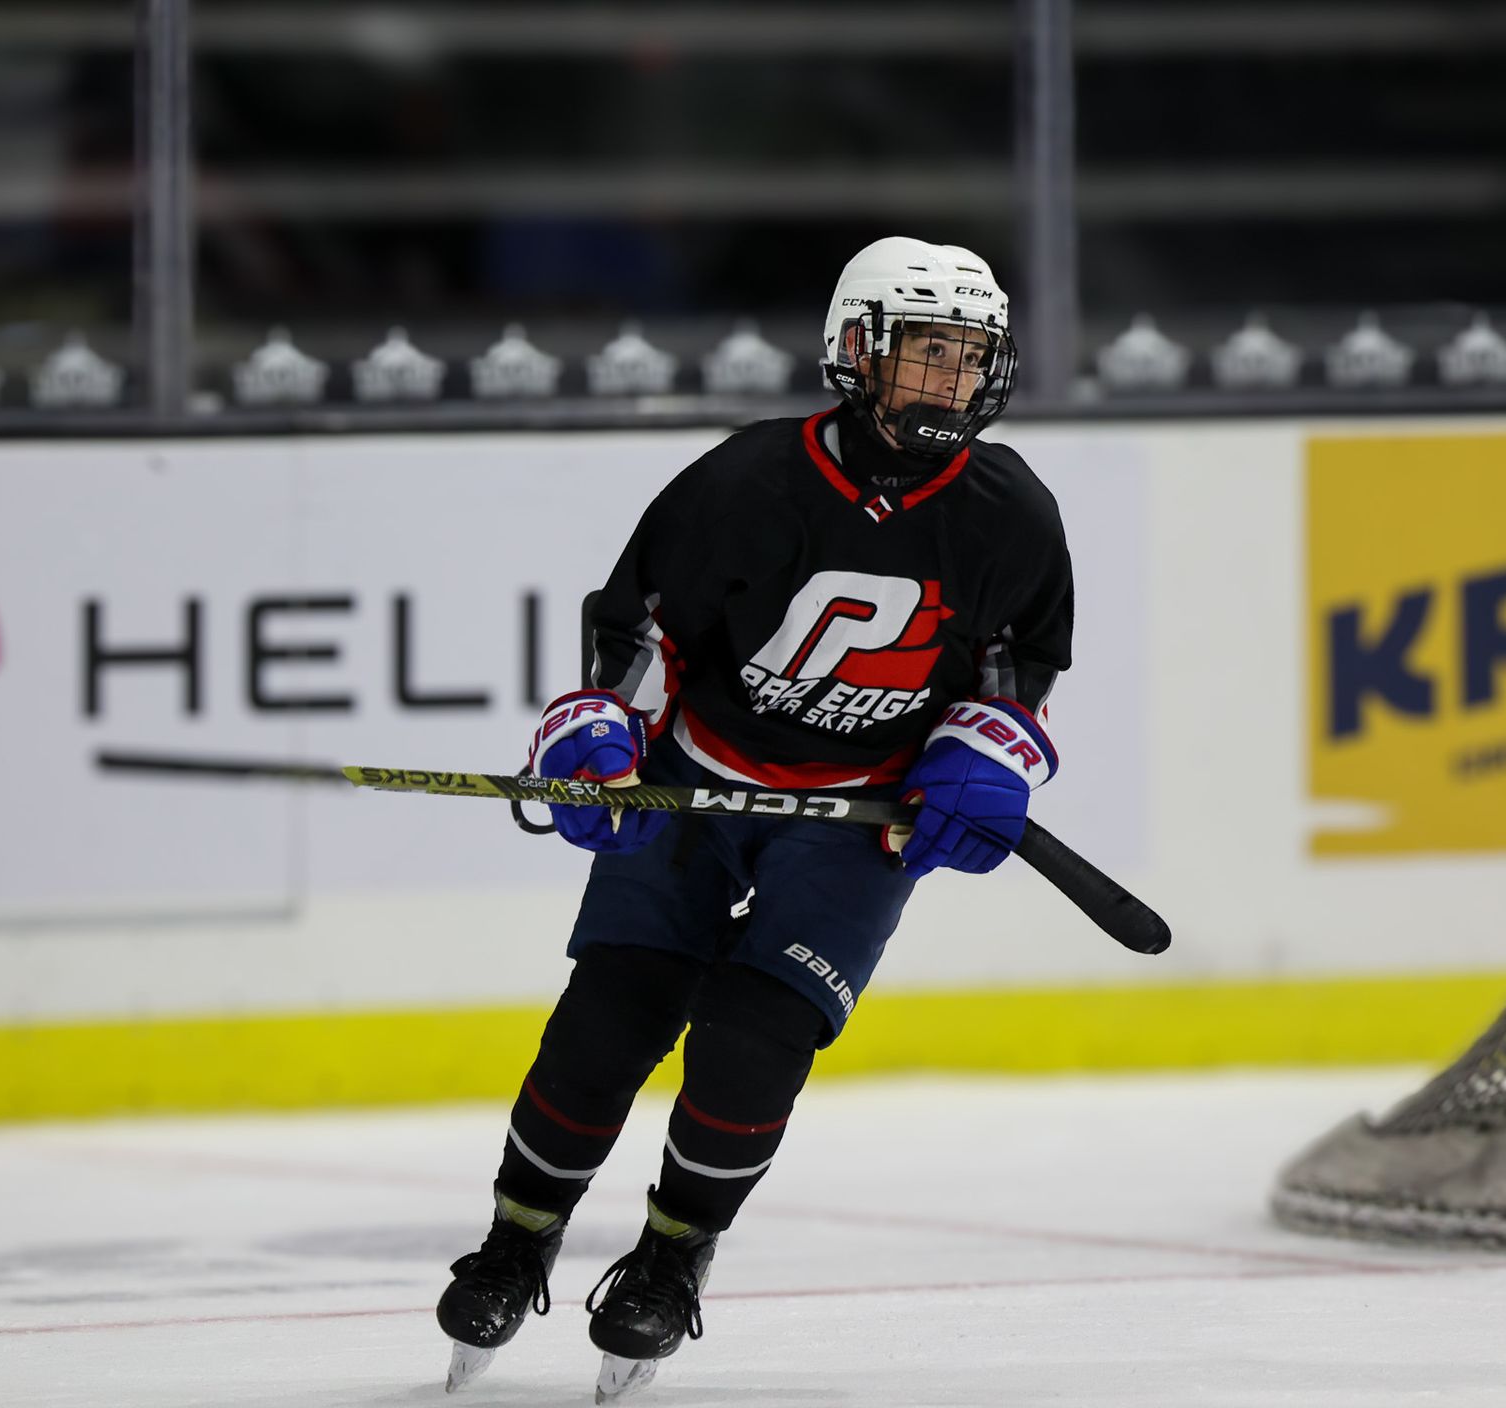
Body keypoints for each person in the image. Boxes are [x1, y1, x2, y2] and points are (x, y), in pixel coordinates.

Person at [436, 236, 1074, 1400]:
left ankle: (672, 1261)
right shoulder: (742, 485)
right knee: (607, 1021)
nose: (950, 382)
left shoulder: (1011, 515)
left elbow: (1016, 664)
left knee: (752, 1038)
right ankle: (517, 1240)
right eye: (926, 355)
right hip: (698, 782)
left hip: (857, 820)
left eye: (967, 358)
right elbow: (639, 632)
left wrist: (986, 752)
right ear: (855, 352)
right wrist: (600, 732)